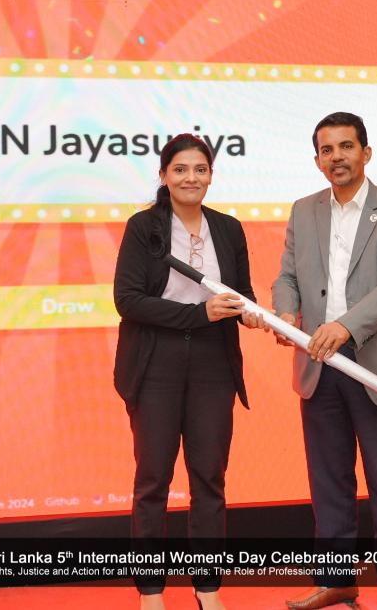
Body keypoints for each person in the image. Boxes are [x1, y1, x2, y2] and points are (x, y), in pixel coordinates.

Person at [265, 111, 377, 610]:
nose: (337, 157)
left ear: (366, 152)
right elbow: (287, 275)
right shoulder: (303, 210)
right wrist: (285, 312)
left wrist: (346, 326)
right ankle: (337, 581)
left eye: (346, 146)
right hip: (317, 363)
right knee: (328, 479)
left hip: (375, 362)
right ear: (317, 159)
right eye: (327, 150)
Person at [113, 133, 259, 610]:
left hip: (214, 363)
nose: (190, 178)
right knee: (153, 481)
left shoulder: (229, 228)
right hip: (155, 362)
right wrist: (200, 314)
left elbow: (242, 293)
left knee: (210, 479)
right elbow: (128, 300)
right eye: (180, 169)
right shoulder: (143, 227)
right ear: (163, 176)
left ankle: (208, 589)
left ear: (211, 175)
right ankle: (151, 592)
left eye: (200, 169)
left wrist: (251, 312)